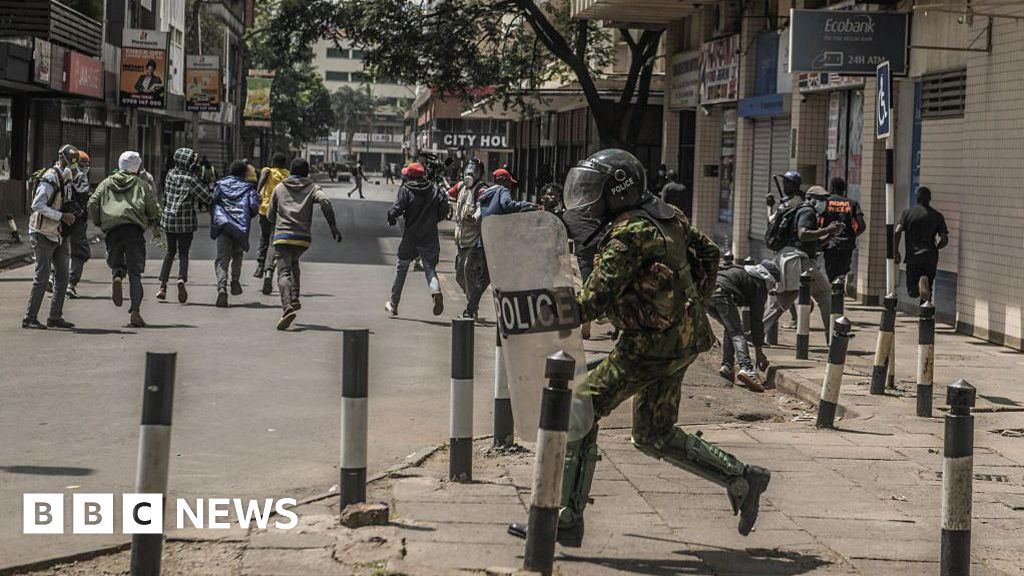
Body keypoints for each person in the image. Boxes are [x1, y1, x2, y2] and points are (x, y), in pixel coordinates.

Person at [510, 149, 770, 547]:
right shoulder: (668, 215)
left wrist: (533, 313)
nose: (590, 202)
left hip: (648, 347)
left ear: (618, 191)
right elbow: (709, 253)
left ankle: (563, 515)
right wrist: (688, 303)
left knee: (578, 409)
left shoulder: (628, 234)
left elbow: (591, 302)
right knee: (653, 434)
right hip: (683, 340)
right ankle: (742, 478)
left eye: (596, 192)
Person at [762, 173, 842, 338]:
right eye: (821, 199)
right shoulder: (807, 211)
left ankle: (757, 332)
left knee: (783, 300)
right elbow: (803, 235)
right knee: (825, 294)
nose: (824, 203)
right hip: (797, 261)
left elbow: (812, 242)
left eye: (825, 200)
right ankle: (834, 337)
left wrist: (830, 234)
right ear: (811, 198)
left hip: (787, 259)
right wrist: (827, 229)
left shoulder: (798, 209)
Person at [267, 158, 342, 330]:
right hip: (302, 239)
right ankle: (294, 296)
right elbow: (325, 201)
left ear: (291, 171)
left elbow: (270, 216)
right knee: (294, 262)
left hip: (282, 237)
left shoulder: (279, 188)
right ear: (307, 172)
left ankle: (287, 307)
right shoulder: (313, 187)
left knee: (283, 272)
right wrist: (333, 226)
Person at [88, 151, 161, 328]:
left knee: (117, 262)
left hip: (113, 230)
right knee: (135, 273)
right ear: (137, 167)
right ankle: (135, 311)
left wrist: (99, 221)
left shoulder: (106, 182)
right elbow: (153, 208)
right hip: (134, 230)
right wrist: (154, 220)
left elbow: (92, 203)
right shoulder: (142, 184)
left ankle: (117, 276)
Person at [22, 145, 80, 329]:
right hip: (42, 233)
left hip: (59, 234)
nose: (73, 167)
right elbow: (37, 205)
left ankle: (55, 317)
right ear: (61, 160)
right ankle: (29, 318)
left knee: (63, 277)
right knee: (42, 277)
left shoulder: (68, 178)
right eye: (70, 162)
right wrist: (61, 216)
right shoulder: (50, 178)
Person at [384, 162, 447, 317]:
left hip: (411, 235)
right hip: (430, 235)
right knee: (429, 267)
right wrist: (434, 220)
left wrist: (391, 217)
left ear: (410, 175)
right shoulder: (435, 189)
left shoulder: (406, 190)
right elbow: (444, 209)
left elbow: (397, 208)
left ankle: (393, 304)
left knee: (402, 267)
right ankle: (435, 291)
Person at [709, 260, 779, 392]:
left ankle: (727, 365)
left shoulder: (743, 271)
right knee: (737, 332)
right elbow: (756, 321)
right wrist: (759, 352)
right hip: (723, 293)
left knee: (730, 328)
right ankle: (746, 369)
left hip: (707, 293)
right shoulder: (760, 285)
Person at [158, 147, 212, 303]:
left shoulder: (170, 174)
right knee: (183, 253)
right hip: (186, 223)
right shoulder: (191, 179)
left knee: (170, 252)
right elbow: (207, 197)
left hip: (169, 220)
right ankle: (181, 278)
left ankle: (162, 287)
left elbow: (165, 197)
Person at [211, 161, 260, 307]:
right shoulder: (249, 188)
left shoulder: (220, 185)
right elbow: (254, 207)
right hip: (240, 227)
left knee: (222, 258)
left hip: (223, 225)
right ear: (244, 173)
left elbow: (213, 202)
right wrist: (248, 215)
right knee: (237, 255)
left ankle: (222, 287)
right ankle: (235, 280)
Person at [450, 159, 490, 318]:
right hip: (461, 242)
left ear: (480, 174)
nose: (470, 172)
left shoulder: (481, 189)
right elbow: (447, 193)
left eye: (475, 170)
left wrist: (474, 217)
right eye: (468, 168)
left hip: (474, 242)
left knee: (467, 270)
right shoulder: (461, 187)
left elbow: (481, 207)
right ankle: (473, 302)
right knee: (459, 276)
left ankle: (472, 308)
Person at [895, 186, 948, 302]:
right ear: (929, 199)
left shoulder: (907, 214)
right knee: (928, 289)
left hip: (913, 257)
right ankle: (925, 312)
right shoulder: (937, 216)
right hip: (930, 256)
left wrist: (895, 250)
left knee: (912, 291)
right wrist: (937, 247)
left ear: (917, 198)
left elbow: (897, 231)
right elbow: (944, 239)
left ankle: (919, 285)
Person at [254, 153, 290, 293]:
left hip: (265, 210)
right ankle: (269, 271)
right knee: (274, 243)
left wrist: (257, 192)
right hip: (281, 213)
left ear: (272, 162)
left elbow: (263, 177)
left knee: (263, 238)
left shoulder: (267, 170)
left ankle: (260, 266)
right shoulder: (287, 175)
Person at [819, 177, 866, 283]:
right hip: (847, 245)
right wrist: (851, 236)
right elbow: (862, 226)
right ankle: (842, 283)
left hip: (830, 244)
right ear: (844, 189)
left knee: (831, 275)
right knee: (842, 273)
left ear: (832, 188)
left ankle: (835, 288)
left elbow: (818, 222)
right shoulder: (853, 203)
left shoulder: (826, 202)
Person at [65, 150, 93, 298]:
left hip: (59, 219)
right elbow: (83, 194)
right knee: (80, 253)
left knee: (58, 250)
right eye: (84, 164)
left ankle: (52, 277)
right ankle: (70, 283)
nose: (86, 167)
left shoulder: (58, 174)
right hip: (76, 220)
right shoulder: (79, 177)